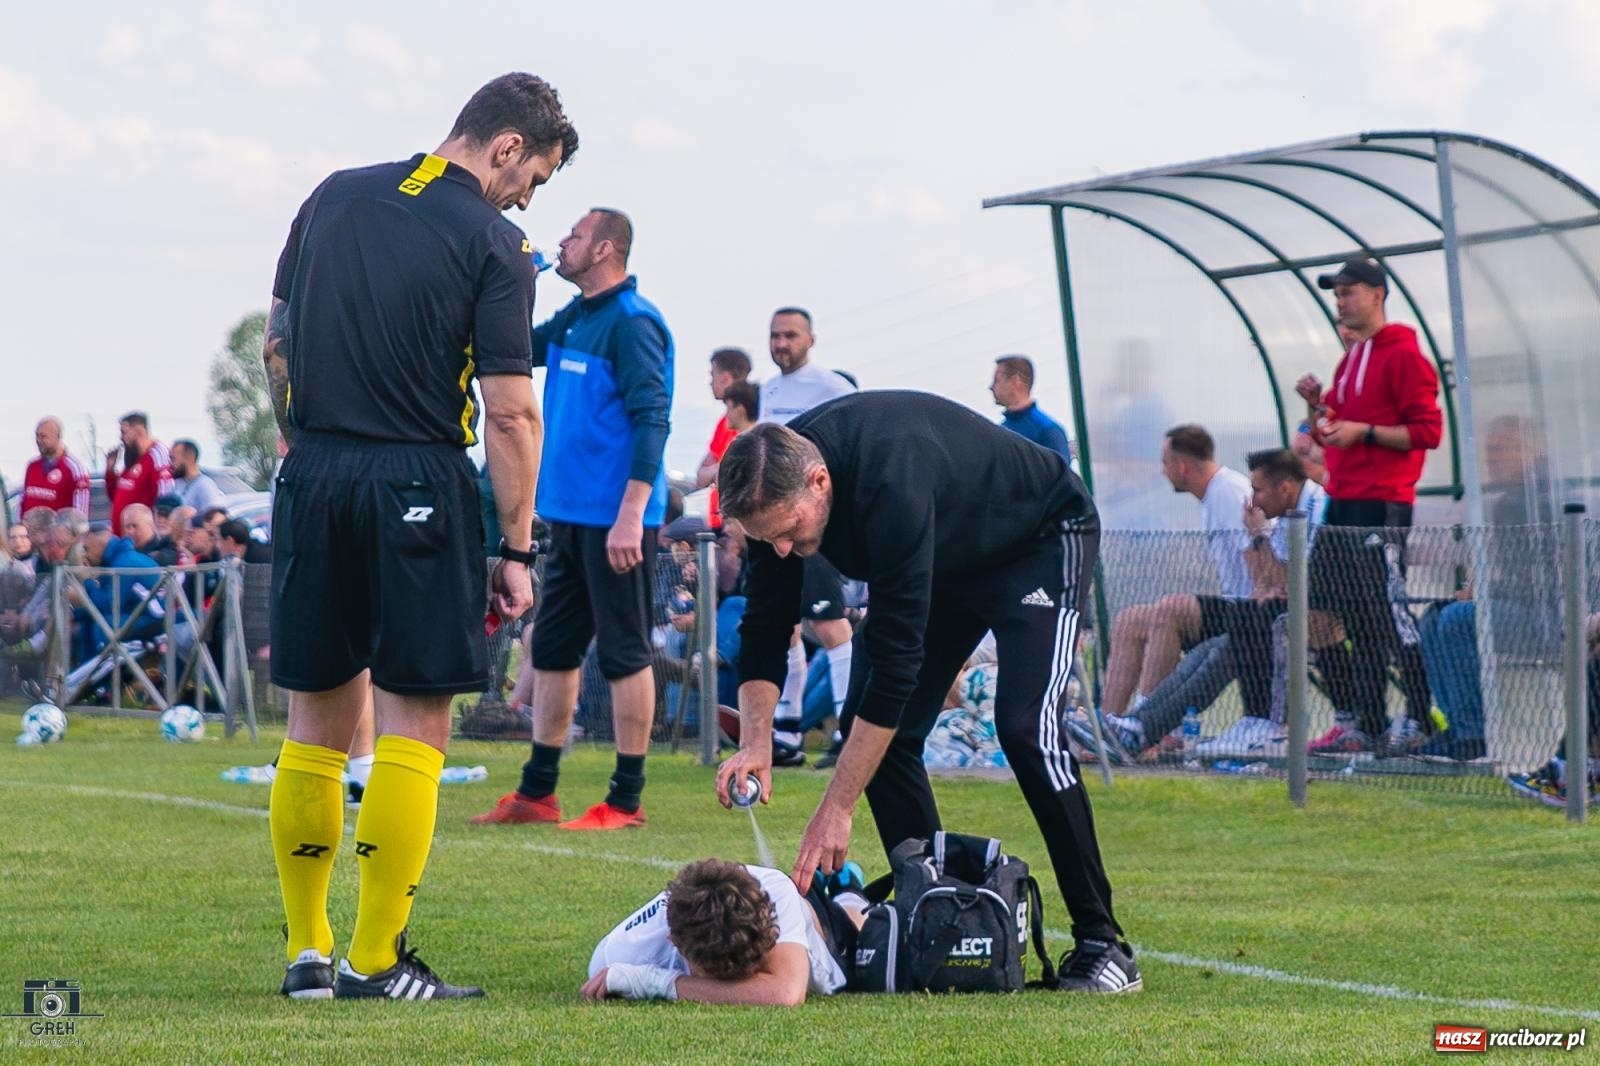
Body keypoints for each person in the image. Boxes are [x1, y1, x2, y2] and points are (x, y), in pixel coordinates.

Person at [263, 72, 575, 1001]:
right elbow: (511, 412)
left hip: (312, 473)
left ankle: (307, 954)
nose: (527, 200)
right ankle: (375, 958)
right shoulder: (496, 242)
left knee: (314, 727)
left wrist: (298, 441)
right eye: (534, 178)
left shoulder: (333, 195)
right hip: (416, 481)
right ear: (508, 145)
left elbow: (276, 343)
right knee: (415, 724)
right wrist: (515, 549)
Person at [714, 393, 1139, 994]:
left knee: (1026, 730)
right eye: (768, 539)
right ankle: (940, 924)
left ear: (819, 481)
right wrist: (757, 743)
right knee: (879, 743)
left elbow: (896, 666)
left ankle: (1103, 943)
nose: (782, 548)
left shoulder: (892, 479)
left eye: (789, 531)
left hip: (1039, 539)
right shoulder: (771, 482)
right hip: (948, 558)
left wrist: (837, 808)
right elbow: (764, 625)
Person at [471, 206, 673, 833]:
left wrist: (631, 515)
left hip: (618, 523)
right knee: (553, 648)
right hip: (570, 519)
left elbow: (653, 420)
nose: (562, 242)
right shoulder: (576, 317)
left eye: (576, 236)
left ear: (606, 249)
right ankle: (538, 792)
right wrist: (514, 280)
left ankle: (627, 800)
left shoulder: (633, 323)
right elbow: (513, 347)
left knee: (625, 652)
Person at [1069, 448, 1325, 761]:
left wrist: (1259, 537)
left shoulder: (1249, 496)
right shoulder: (1281, 513)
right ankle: (1124, 726)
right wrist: (1267, 563)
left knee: (1190, 621)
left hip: (1291, 616)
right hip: (1259, 613)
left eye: (1257, 490)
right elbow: (1275, 581)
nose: (1252, 500)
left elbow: (1278, 582)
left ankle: (1145, 728)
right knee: (1141, 622)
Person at [1295, 257, 1442, 754]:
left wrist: (1365, 432)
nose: (1340, 302)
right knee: (1333, 613)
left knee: (1389, 617)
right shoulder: (1351, 359)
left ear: (1377, 294)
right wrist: (1316, 405)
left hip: (1382, 503)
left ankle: (1422, 718)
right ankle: (1362, 722)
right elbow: (1331, 431)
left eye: (1348, 292)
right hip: (1342, 503)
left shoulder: (1404, 355)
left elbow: (1427, 432)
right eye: (1337, 294)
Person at [1099, 425, 1254, 717]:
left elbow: (1257, 555)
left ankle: (1144, 721)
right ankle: (1108, 723)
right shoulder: (1212, 495)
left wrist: (1262, 610)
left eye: (1164, 462)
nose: (1162, 471)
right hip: (1234, 605)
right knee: (1129, 621)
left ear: (1182, 466)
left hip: (1251, 610)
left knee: (1170, 610)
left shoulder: (1229, 491)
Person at [758, 307, 857, 764]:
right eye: (775, 335)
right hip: (776, 529)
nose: (781, 344)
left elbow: (857, 444)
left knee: (830, 624)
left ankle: (848, 729)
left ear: (810, 340)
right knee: (788, 627)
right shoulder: (769, 390)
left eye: (790, 335)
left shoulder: (833, 387)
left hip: (816, 525)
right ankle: (787, 734)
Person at [583, 857, 863, 1005]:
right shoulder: (618, 955)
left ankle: (848, 888)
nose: (745, 980)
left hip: (821, 927)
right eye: (722, 976)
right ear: (674, 942)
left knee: (862, 938)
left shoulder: (774, 891)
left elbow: (785, 994)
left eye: (755, 963)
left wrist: (656, 983)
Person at [695, 347, 753, 529]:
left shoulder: (743, 422)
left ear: (725, 378)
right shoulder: (724, 422)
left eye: (712, 375)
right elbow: (702, 475)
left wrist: (717, 470)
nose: (710, 382)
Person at [990, 355, 1073, 465]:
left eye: (997, 380)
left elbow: (1061, 474)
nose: (991, 387)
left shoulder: (1049, 431)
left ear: (1015, 381)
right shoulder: (1001, 431)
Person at [104, 412, 173, 538]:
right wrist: (110, 471)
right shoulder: (133, 460)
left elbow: (165, 498)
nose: (121, 438)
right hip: (121, 538)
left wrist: (158, 535)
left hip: (140, 539)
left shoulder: (157, 454)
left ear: (139, 431)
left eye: (124, 432)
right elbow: (114, 496)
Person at [22, 416, 92, 518]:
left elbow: (80, 514)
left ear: (57, 437)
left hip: (59, 528)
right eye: (37, 436)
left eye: (43, 436)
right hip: (30, 528)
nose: (38, 440)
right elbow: (23, 503)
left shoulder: (74, 468)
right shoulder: (32, 467)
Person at [169, 439, 227, 514]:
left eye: (173, 459)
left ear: (189, 458)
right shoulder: (178, 483)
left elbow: (215, 518)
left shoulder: (205, 486)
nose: (170, 464)